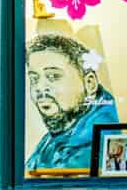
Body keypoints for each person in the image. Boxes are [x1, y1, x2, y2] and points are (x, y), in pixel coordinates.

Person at [26, 33, 120, 171]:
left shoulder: (96, 145)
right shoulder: (55, 140)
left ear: (89, 83)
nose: (39, 88)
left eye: (53, 76)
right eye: (34, 79)